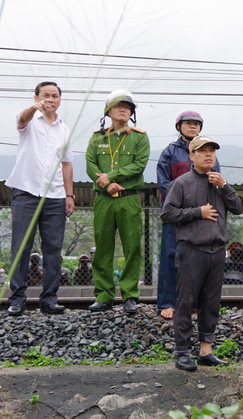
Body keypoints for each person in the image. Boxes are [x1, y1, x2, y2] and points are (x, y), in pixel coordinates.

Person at [161, 136, 243, 372]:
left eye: (212, 151)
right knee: (185, 302)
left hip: (217, 251)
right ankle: (183, 352)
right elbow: (167, 214)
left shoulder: (219, 183)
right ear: (192, 156)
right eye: (203, 151)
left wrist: (225, 186)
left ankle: (206, 351)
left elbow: (238, 207)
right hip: (191, 250)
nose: (209, 155)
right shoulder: (181, 183)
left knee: (211, 303)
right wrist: (198, 212)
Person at [6, 81, 74, 316]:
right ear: (36, 97)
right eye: (46, 95)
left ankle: (49, 300)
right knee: (21, 246)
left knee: (53, 249)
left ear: (60, 100)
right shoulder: (28, 119)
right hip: (26, 192)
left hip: (55, 196)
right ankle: (17, 299)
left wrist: (69, 194)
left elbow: (66, 164)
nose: (51, 99)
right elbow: (21, 120)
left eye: (55, 96)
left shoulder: (64, 129)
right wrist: (35, 107)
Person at [85, 89, 150, 314]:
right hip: (104, 199)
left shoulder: (139, 136)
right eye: (118, 106)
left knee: (132, 247)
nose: (123, 109)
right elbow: (90, 165)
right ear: (108, 111)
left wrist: (110, 176)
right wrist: (106, 183)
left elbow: (139, 165)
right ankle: (103, 296)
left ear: (131, 113)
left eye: (127, 106)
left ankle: (130, 296)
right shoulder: (97, 137)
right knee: (102, 248)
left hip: (129, 198)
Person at [156, 111, 220, 320]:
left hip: (200, 215)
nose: (193, 127)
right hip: (175, 214)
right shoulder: (170, 152)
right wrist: (180, 203)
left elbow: (215, 180)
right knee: (170, 257)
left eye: (196, 124)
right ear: (179, 127)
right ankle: (167, 302)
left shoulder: (208, 151)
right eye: (188, 124)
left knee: (196, 260)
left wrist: (200, 208)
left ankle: (192, 303)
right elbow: (163, 181)